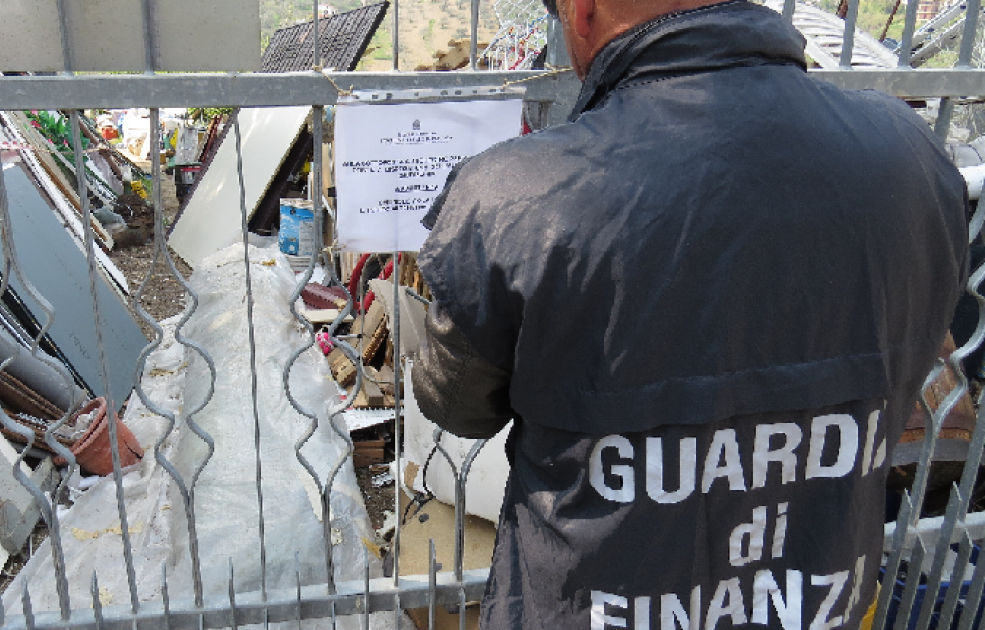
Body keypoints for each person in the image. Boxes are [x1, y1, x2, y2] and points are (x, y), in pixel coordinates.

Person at [412, 0, 970, 627]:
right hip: (819, 602)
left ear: (583, 12)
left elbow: (456, 405)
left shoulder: (514, 194)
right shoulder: (912, 155)